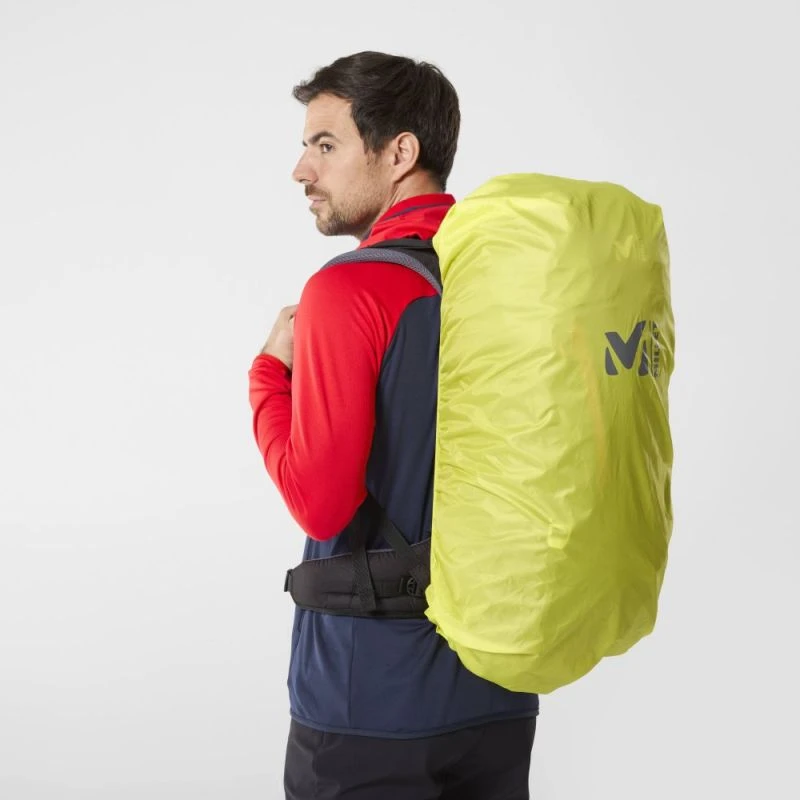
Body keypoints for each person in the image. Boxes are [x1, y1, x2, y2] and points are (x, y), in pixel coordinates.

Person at [248, 51, 539, 800]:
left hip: (368, 698)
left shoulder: (350, 289)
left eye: (325, 145)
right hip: (498, 683)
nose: (302, 171)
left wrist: (268, 376)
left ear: (400, 152)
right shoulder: (508, 281)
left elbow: (321, 504)